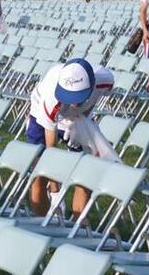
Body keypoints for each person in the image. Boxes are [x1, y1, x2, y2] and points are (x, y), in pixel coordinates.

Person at [27, 58, 114, 216]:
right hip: (41, 114)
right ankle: (40, 223)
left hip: (77, 118)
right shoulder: (51, 97)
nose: (73, 103)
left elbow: (94, 100)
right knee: (40, 171)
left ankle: (76, 228)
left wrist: (81, 121)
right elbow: (50, 151)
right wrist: (56, 193)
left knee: (85, 173)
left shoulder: (105, 80)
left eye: (77, 98)